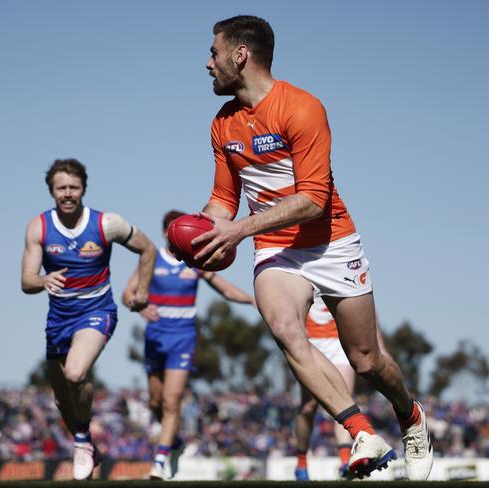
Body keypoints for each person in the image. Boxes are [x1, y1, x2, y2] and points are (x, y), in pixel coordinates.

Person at [189, 16, 433, 480]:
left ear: (241, 55)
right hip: (276, 250)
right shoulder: (222, 124)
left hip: (332, 241)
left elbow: (312, 199)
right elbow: (224, 199)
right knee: (284, 328)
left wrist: (238, 229)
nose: (208, 63)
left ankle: (409, 415)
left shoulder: (302, 108)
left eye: (214, 53)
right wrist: (202, 228)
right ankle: (362, 431)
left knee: (367, 360)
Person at [21, 158, 156, 480]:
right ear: (52, 192)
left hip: (96, 312)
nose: (67, 193)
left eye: (73, 187)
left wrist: (143, 291)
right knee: (61, 399)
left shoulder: (107, 224)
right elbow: (26, 280)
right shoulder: (39, 226)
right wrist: (42, 280)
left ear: (83, 188)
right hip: (58, 320)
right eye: (61, 188)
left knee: (76, 373)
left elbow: (148, 249)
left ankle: (81, 442)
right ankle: (89, 444)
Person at [122, 210, 255, 480]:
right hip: (155, 337)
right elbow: (127, 294)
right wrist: (139, 306)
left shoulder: (196, 262)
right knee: (156, 402)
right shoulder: (152, 258)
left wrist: (254, 300)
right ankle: (176, 443)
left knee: (172, 402)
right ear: (164, 232)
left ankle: (159, 462)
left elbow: (226, 290)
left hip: (183, 339)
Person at [294, 296, 355, 481]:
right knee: (308, 407)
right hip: (311, 342)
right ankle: (302, 462)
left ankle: (345, 463)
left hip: (338, 342)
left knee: (344, 402)